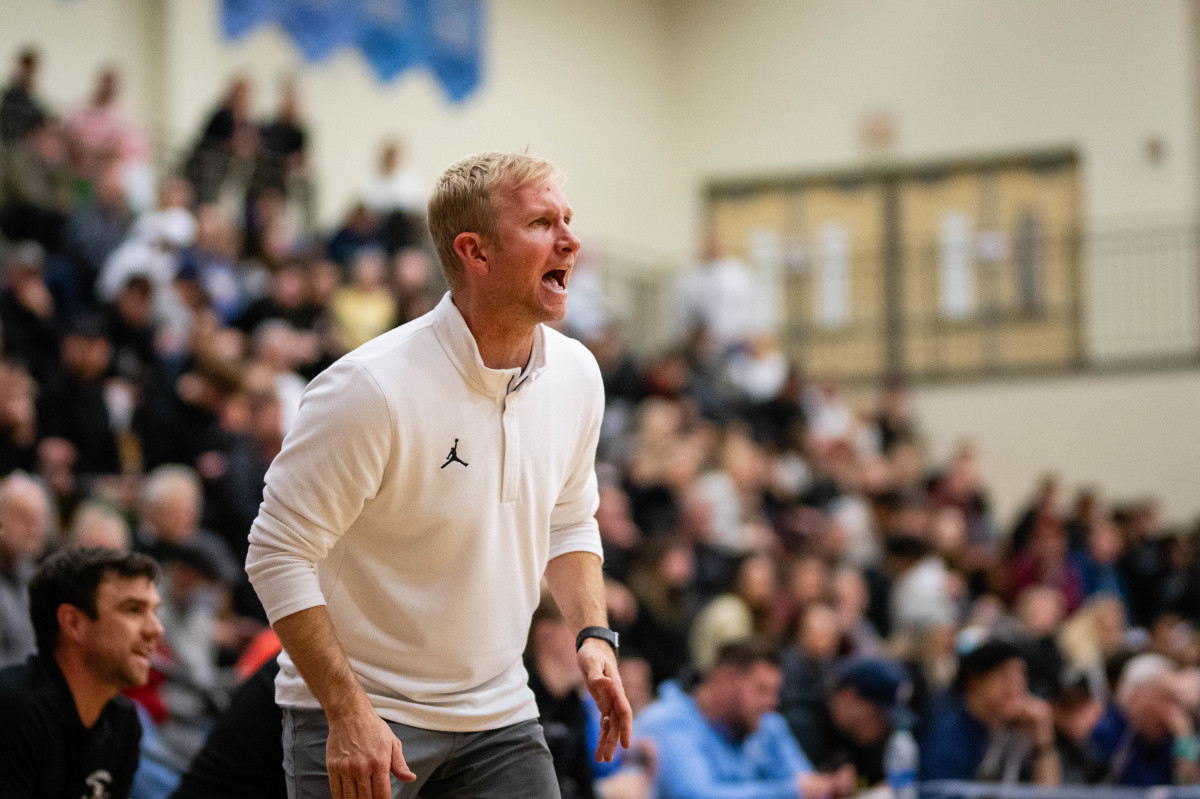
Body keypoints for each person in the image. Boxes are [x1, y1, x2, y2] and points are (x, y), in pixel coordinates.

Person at [245, 151, 632, 799]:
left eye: (567, 218)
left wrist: (592, 633)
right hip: (365, 716)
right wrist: (347, 712)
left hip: (501, 712)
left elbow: (569, 521)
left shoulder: (577, 374)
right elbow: (276, 553)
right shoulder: (370, 388)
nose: (571, 238)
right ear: (475, 253)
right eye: (542, 222)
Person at [0, 546, 163, 799]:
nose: (156, 629)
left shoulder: (124, 722)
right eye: (134, 609)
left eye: (155, 612)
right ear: (73, 623)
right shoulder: (13, 711)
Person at [634, 636, 841, 799]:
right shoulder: (670, 722)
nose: (771, 702)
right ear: (726, 681)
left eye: (775, 691)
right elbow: (694, 795)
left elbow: (808, 786)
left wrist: (827, 786)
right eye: (761, 690)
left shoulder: (767, 723)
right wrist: (786, 793)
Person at [920, 638, 1061, 785]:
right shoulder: (948, 734)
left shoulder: (1018, 728)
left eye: (1022, 676)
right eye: (1005, 676)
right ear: (975, 680)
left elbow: (1047, 793)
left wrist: (1043, 732)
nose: (1016, 686)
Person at [784, 658, 907, 788]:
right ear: (850, 696)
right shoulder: (799, 727)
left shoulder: (858, 739)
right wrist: (831, 784)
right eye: (878, 716)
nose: (882, 727)